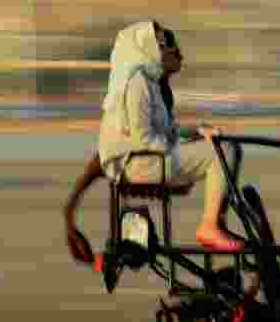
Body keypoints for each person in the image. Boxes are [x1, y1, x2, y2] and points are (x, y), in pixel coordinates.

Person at [63, 20, 242, 265]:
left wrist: (196, 132)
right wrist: (181, 145)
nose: (175, 50)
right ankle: (210, 225)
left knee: (221, 147)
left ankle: (215, 223)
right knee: (222, 152)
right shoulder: (137, 83)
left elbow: (164, 132)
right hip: (142, 165)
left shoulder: (152, 85)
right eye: (166, 44)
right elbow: (142, 139)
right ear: (149, 48)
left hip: (147, 159)